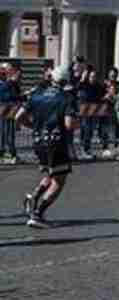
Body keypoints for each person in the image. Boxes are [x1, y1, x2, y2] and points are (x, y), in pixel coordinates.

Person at [17, 64, 78, 227]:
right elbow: (69, 124)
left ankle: (33, 198)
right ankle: (37, 214)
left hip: (38, 141)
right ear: (65, 80)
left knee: (50, 174)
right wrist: (77, 123)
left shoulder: (36, 94)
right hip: (56, 141)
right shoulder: (66, 97)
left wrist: (33, 126)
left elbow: (18, 116)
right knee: (59, 181)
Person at [0, 63, 22, 163]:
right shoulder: (6, 83)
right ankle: (7, 155)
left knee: (9, 133)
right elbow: (5, 96)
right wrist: (10, 82)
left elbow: (15, 96)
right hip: (5, 111)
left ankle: (10, 155)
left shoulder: (11, 83)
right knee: (5, 133)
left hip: (10, 110)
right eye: (9, 70)